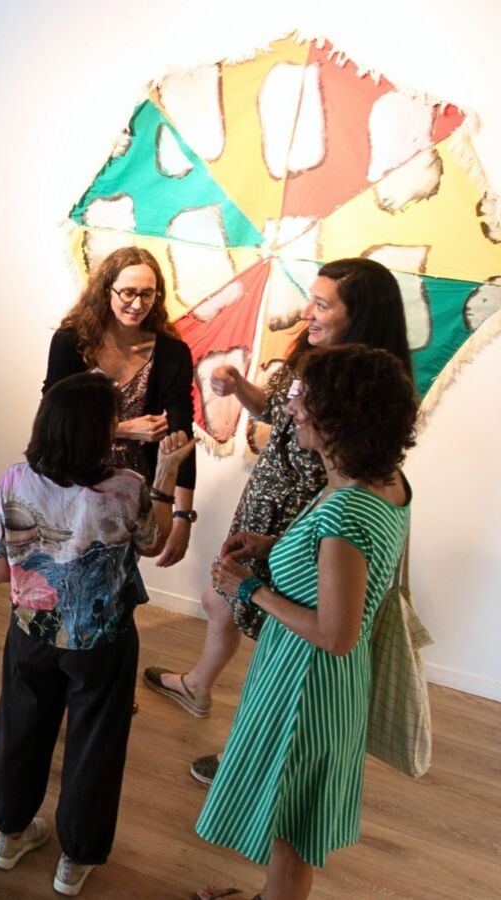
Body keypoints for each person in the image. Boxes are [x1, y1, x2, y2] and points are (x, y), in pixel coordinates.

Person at [142, 257, 412, 784]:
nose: (306, 312)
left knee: (281, 645)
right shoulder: (316, 363)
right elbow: (281, 413)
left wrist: (280, 549)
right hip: (268, 511)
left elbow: (331, 634)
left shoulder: (361, 390)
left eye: (322, 304)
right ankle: (200, 686)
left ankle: (251, 751)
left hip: (299, 521)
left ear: (359, 317)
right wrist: (242, 388)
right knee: (221, 601)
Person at [192, 345, 418, 900]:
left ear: (339, 414)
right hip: (315, 680)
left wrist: (247, 587)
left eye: (302, 398)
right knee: (290, 817)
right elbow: (339, 562)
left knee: (290, 828)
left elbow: (336, 635)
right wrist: (273, 545)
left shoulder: (345, 509)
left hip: (306, 686)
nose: (290, 408)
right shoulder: (382, 482)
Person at [0, 373, 194, 897]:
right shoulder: (126, 488)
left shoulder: (13, 479)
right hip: (102, 641)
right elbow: (153, 544)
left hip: (32, 631)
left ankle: (9, 836)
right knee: (95, 744)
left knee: (21, 728)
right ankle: (75, 861)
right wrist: (166, 474)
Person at [45, 246, 198, 567]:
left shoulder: (172, 353)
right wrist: (125, 429)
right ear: (107, 290)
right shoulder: (72, 341)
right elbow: (51, 421)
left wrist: (182, 514)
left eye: (147, 294)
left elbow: (182, 435)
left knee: (114, 582)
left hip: (133, 494)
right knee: (56, 575)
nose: (138, 304)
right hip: (70, 479)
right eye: (128, 292)